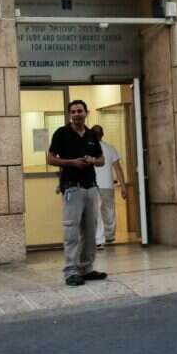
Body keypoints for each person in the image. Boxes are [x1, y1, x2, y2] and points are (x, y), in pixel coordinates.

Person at [46, 100, 107, 286]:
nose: (76, 114)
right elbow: (50, 159)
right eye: (73, 112)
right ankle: (71, 272)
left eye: (79, 111)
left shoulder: (91, 134)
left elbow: (102, 160)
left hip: (91, 188)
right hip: (72, 188)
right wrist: (71, 162)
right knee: (71, 232)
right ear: (69, 115)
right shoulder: (62, 133)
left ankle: (86, 269)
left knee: (90, 232)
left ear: (86, 113)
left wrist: (92, 161)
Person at [91, 125, 127, 249]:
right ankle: (109, 235)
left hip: (93, 185)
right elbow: (118, 169)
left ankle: (98, 237)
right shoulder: (110, 148)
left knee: (96, 211)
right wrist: (123, 187)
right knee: (109, 210)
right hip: (107, 185)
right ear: (102, 134)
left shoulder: (88, 149)